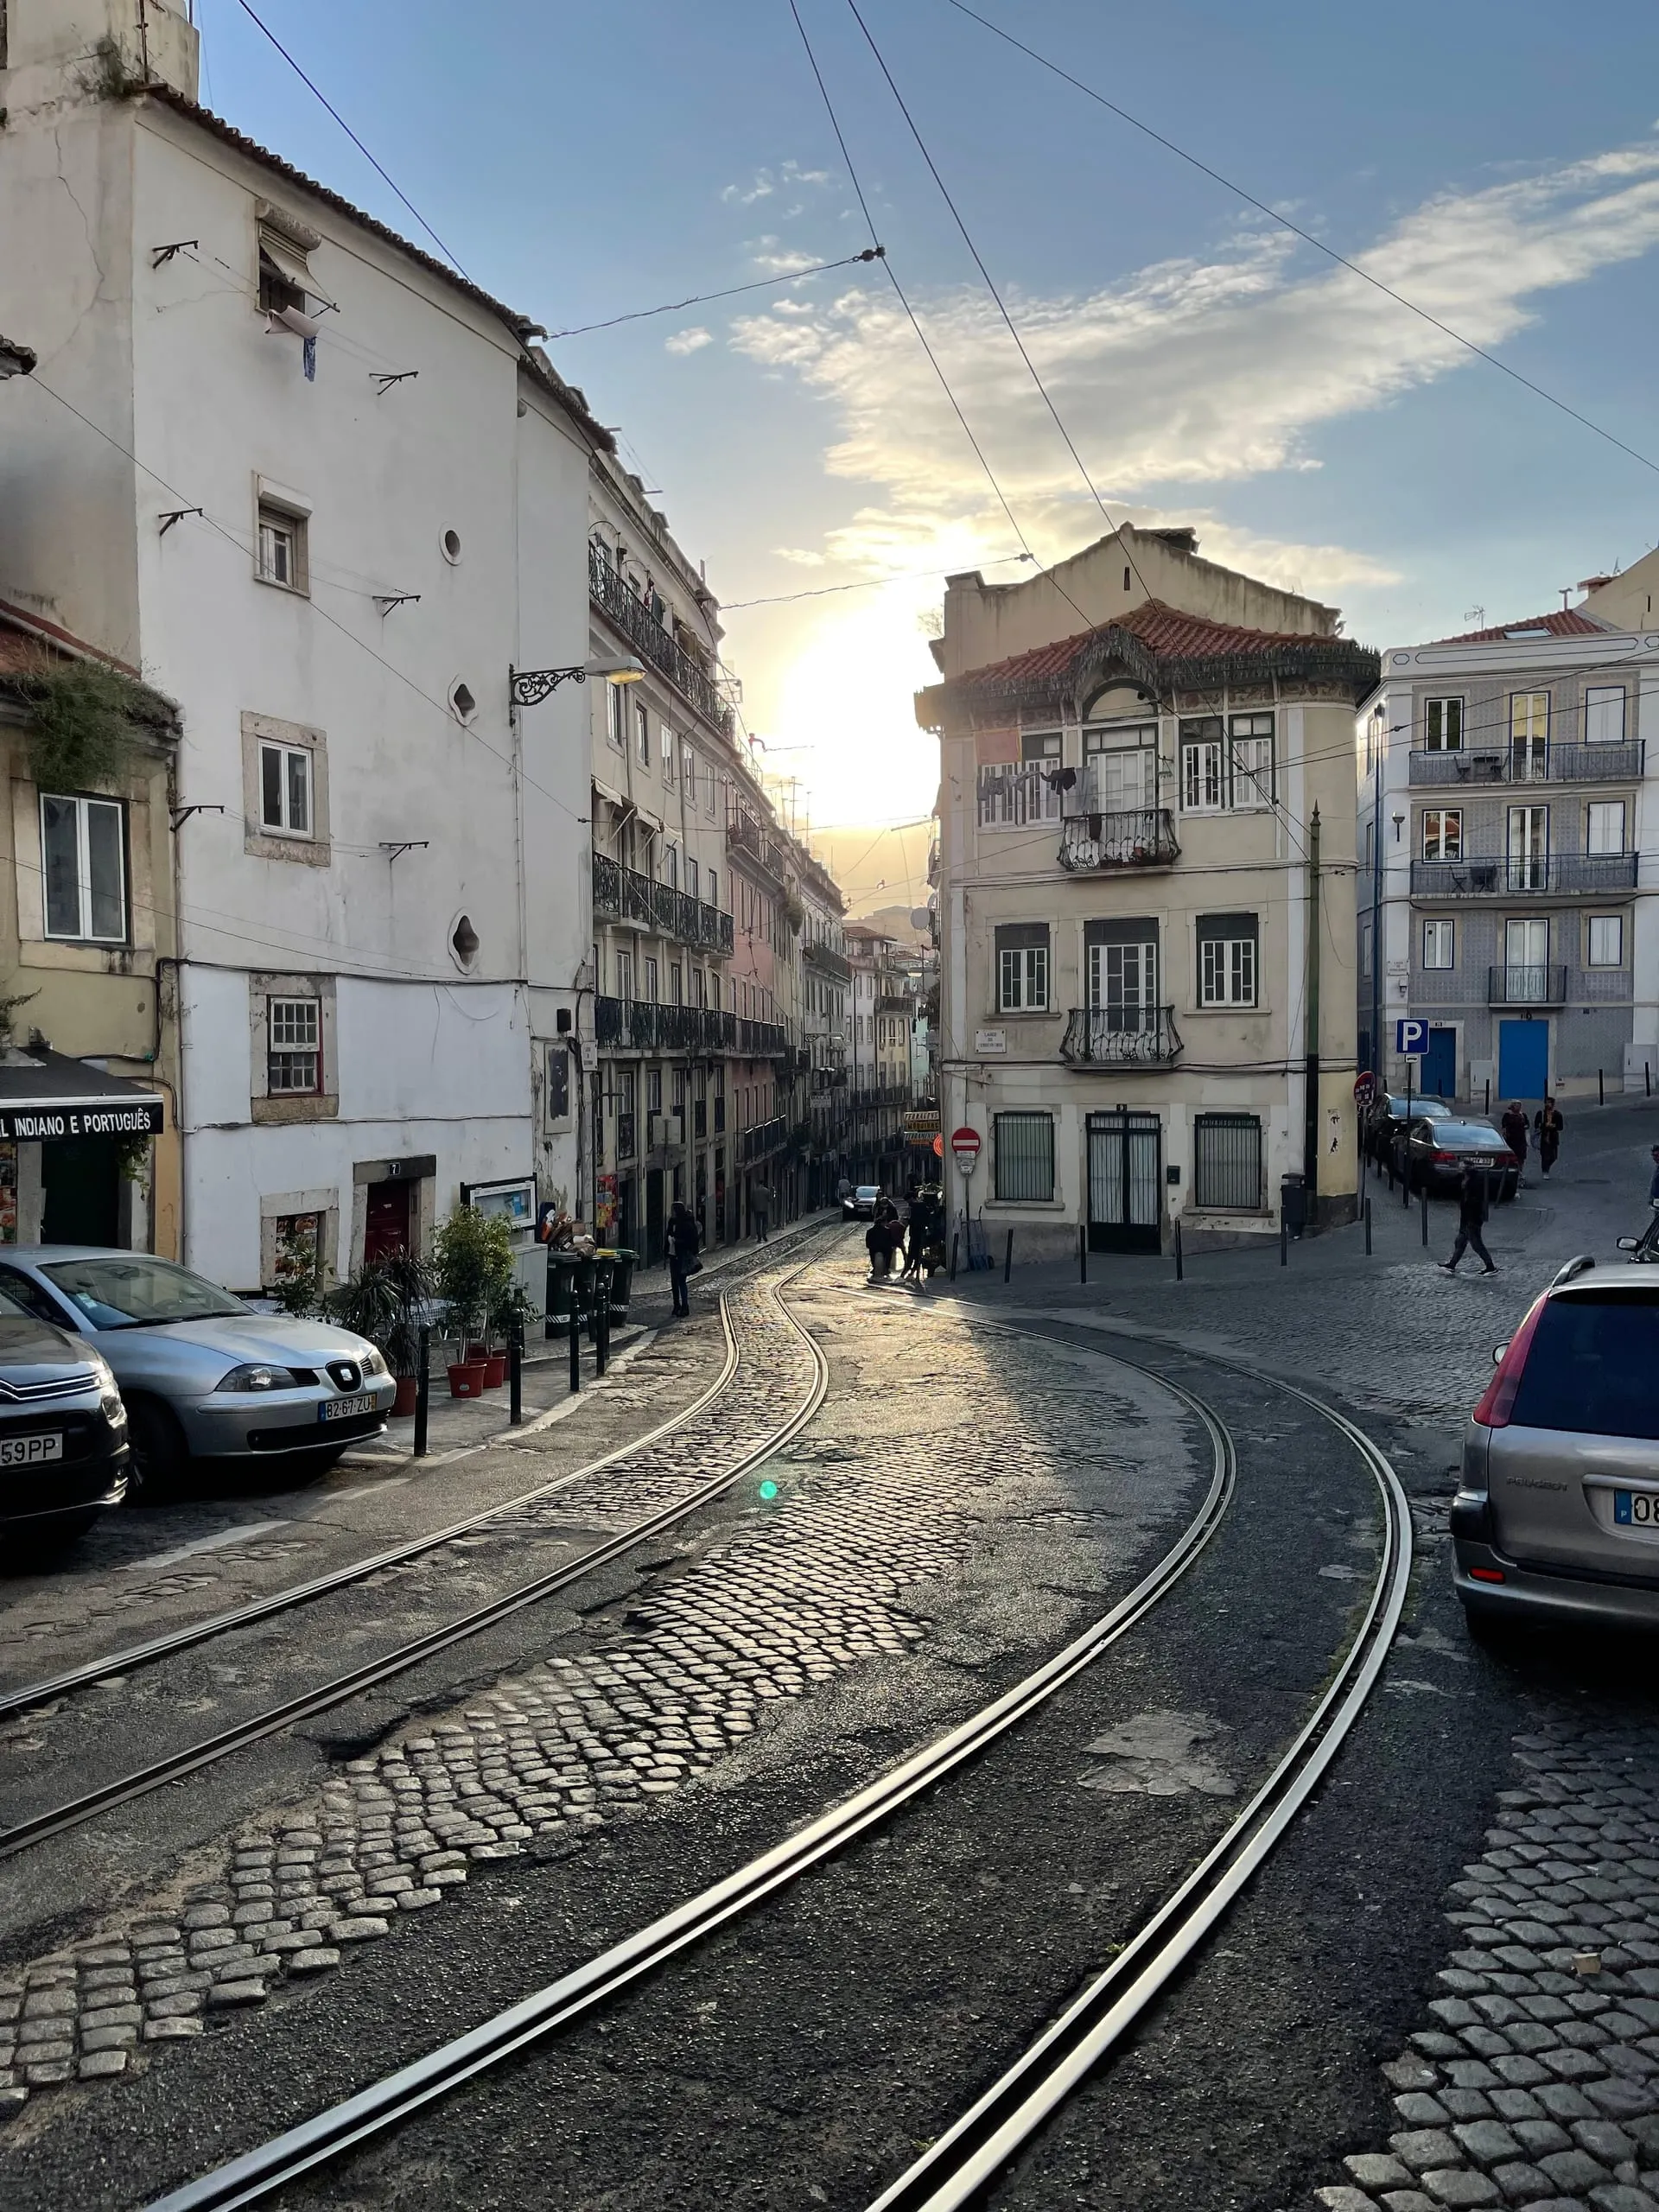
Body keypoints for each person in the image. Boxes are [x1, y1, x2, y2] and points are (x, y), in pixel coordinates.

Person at [1442, 1161, 1497, 1275]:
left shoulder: (1475, 1182)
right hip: (1466, 1218)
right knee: (1460, 1242)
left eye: (1461, 1167)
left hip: (1473, 1219)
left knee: (1476, 1244)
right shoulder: (1464, 1179)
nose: (1459, 1169)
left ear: (1466, 1170)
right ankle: (1452, 1265)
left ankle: (1490, 1267)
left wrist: (1472, 1216)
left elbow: (1475, 1202)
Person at [665, 1200, 700, 1318]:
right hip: (673, 1255)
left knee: (681, 1281)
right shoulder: (672, 1222)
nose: (672, 1212)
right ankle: (676, 1306)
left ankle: (685, 1306)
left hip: (682, 1256)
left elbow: (691, 1240)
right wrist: (666, 1250)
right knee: (674, 1281)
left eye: (673, 1210)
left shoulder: (687, 1222)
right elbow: (668, 1235)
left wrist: (677, 1241)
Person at [1534, 1096, 1565, 1177]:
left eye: (1550, 1103)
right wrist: (1543, 1126)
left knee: (1553, 1157)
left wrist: (1553, 1126)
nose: (1548, 1104)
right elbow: (1536, 1125)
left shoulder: (1557, 1114)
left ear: (1553, 1104)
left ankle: (1547, 1167)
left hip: (1553, 1137)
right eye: (1547, 1103)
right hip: (1544, 1137)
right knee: (1545, 1155)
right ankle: (1545, 1171)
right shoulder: (1541, 1114)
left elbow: (1560, 1127)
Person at [1500, 1101, 1529, 1175]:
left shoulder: (1523, 1115)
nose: (1518, 1107)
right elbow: (1504, 1127)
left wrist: (1525, 1128)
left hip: (1521, 1140)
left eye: (1519, 1106)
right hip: (1511, 1140)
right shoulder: (1507, 1115)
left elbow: (1527, 1125)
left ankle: (1520, 1172)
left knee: (1521, 1158)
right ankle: (1509, 1171)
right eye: (1516, 1105)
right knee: (1510, 1157)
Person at [751, 1179, 772, 1243]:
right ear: (763, 1183)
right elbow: (769, 1199)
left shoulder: (755, 1191)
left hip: (757, 1210)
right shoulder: (767, 1191)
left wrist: (753, 1209)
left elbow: (752, 1201)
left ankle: (759, 1237)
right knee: (764, 1223)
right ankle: (764, 1234)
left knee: (758, 1224)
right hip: (764, 1209)